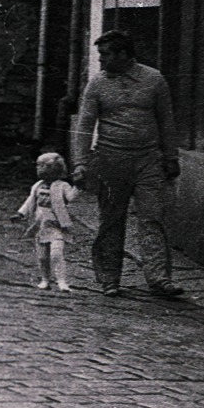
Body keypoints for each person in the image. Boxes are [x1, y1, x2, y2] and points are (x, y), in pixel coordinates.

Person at [70, 30, 184, 298]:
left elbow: (166, 121)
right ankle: (109, 278)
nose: (100, 61)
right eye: (99, 55)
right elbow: (85, 126)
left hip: (149, 161)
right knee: (111, 220)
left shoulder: (154, 80)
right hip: (110, 161)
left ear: (123, 54)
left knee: (152, 218)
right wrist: (80, 163)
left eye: (105, 55)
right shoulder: (96, 85)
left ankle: (159, 278)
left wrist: (171, 157)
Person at [15, 152, 78, 291]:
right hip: (40, 225)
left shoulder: (63, 186)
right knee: (42, 256)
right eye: (38, 166)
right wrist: (21, 213)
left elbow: (72, 198)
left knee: (56, 253)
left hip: (57, 225)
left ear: (53, 169)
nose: (38, 169)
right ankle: (45, 279)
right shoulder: (38, 185)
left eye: (42, 166)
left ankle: (62, 281)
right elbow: (30, 201)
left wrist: (77, 186)